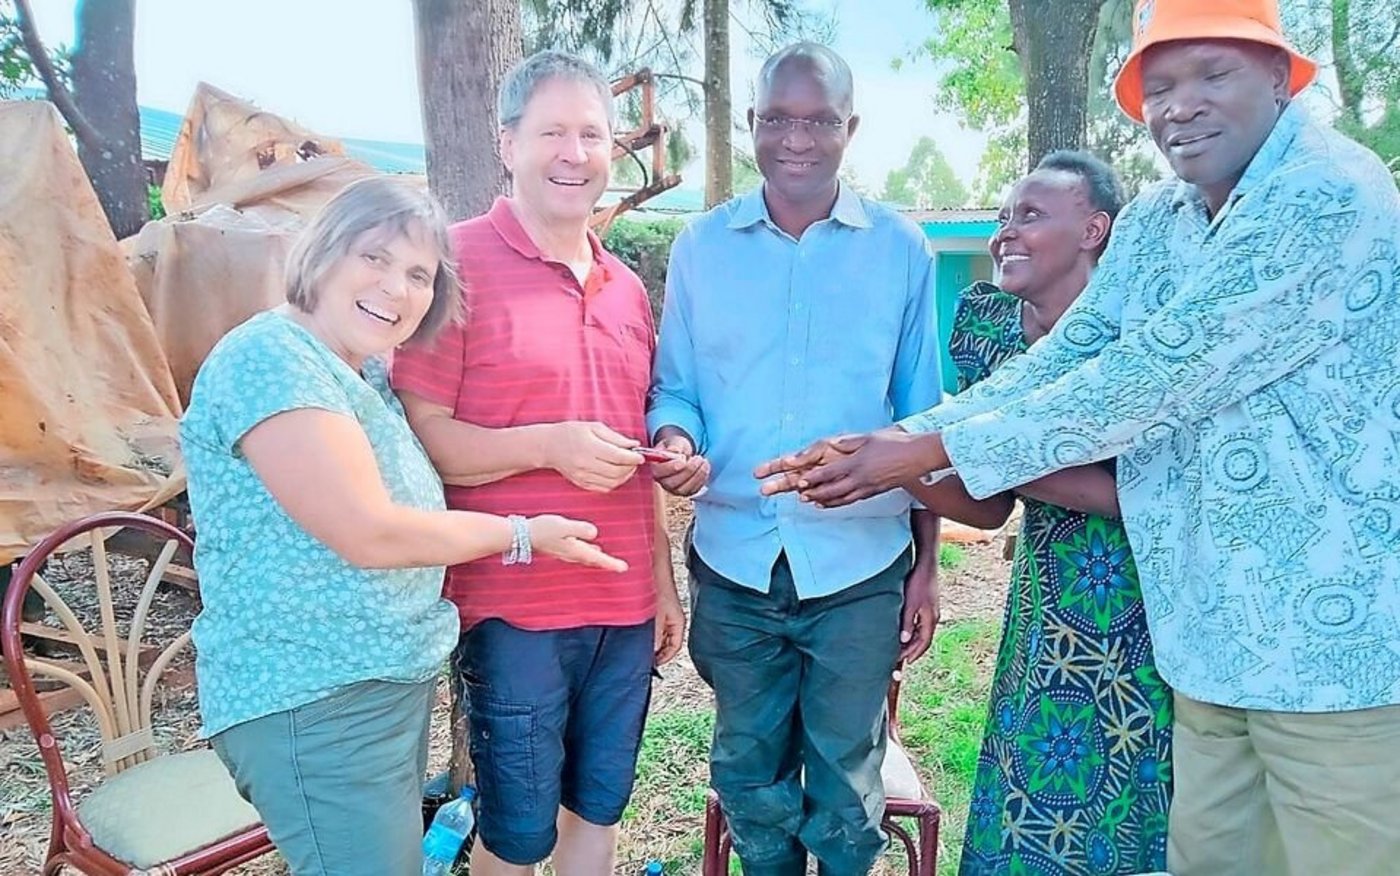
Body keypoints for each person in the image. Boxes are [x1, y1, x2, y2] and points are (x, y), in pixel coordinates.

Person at [758, 1, 1400, 873]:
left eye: (1214, 74)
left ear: (1281, 76)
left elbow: (1147, 378)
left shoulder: (1329, 195)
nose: (1180, 106)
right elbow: (1066, 359)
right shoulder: (1159, 221)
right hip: (1206, 640)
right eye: (1160, 85)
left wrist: (919, 457)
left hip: (1334, 651)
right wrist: (899, 436)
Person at [181, 176, 625, 876]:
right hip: (313, 697)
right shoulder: (270, 359)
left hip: (376, 688)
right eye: (375, 257)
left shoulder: (362, 377)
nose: (395, 287)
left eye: (419, 274)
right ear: (322, 252)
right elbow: (370, 533)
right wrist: (521, 534)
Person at [646, 42, 944, 876]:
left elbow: (923, 424)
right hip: (735, 561)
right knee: (748, 770)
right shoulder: (703, 248)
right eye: (777, 118)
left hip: (859, 567)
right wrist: (677, 440)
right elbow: (676, 389)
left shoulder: (901, 251)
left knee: (848, 785)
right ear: (751, 125)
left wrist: (928, 566)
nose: (796, 138)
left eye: (818, 120)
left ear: (850, 127)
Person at [390, 50, 685, 876]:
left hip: (621, 604)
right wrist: (547, 445)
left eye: (592, 133)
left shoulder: (626, 286)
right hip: (513, 604)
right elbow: (427, 438)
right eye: (552, 131)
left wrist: (660, 581)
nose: (574, 152)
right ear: (507, 143)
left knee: (598, 808)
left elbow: (634, 455)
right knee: (517, 833)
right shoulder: (451, 265)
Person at [951, 151, 1172, 876]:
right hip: (1045, 616)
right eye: (1005, 216)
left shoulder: (1143, 337)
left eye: (1032, 215)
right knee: (1025, 803)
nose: (1005, 233)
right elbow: (983, 505)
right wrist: (901, 464)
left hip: (1141, 619)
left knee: (1129, 810)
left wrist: (963, 445)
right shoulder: (986, 330)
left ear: (1094, 230)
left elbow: (1141, 494)